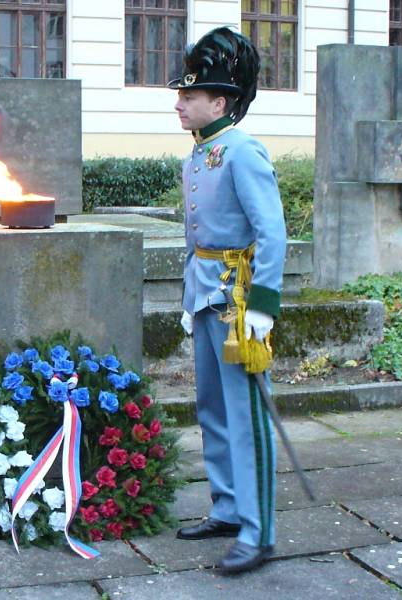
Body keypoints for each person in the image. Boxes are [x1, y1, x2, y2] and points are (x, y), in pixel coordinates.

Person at [168, 27, 287, 574]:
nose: (180, 103)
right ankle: (229, 507)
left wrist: (263, 305)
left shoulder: (242, 151)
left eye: (189, 96)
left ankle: (258, 532)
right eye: (182, 95)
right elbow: (200, 241)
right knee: (213, 408)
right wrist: (189, 301)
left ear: (220, 101)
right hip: (208, 297)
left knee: (245, 416)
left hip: (240, 305)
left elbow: (272, 231)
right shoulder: (199, 155)